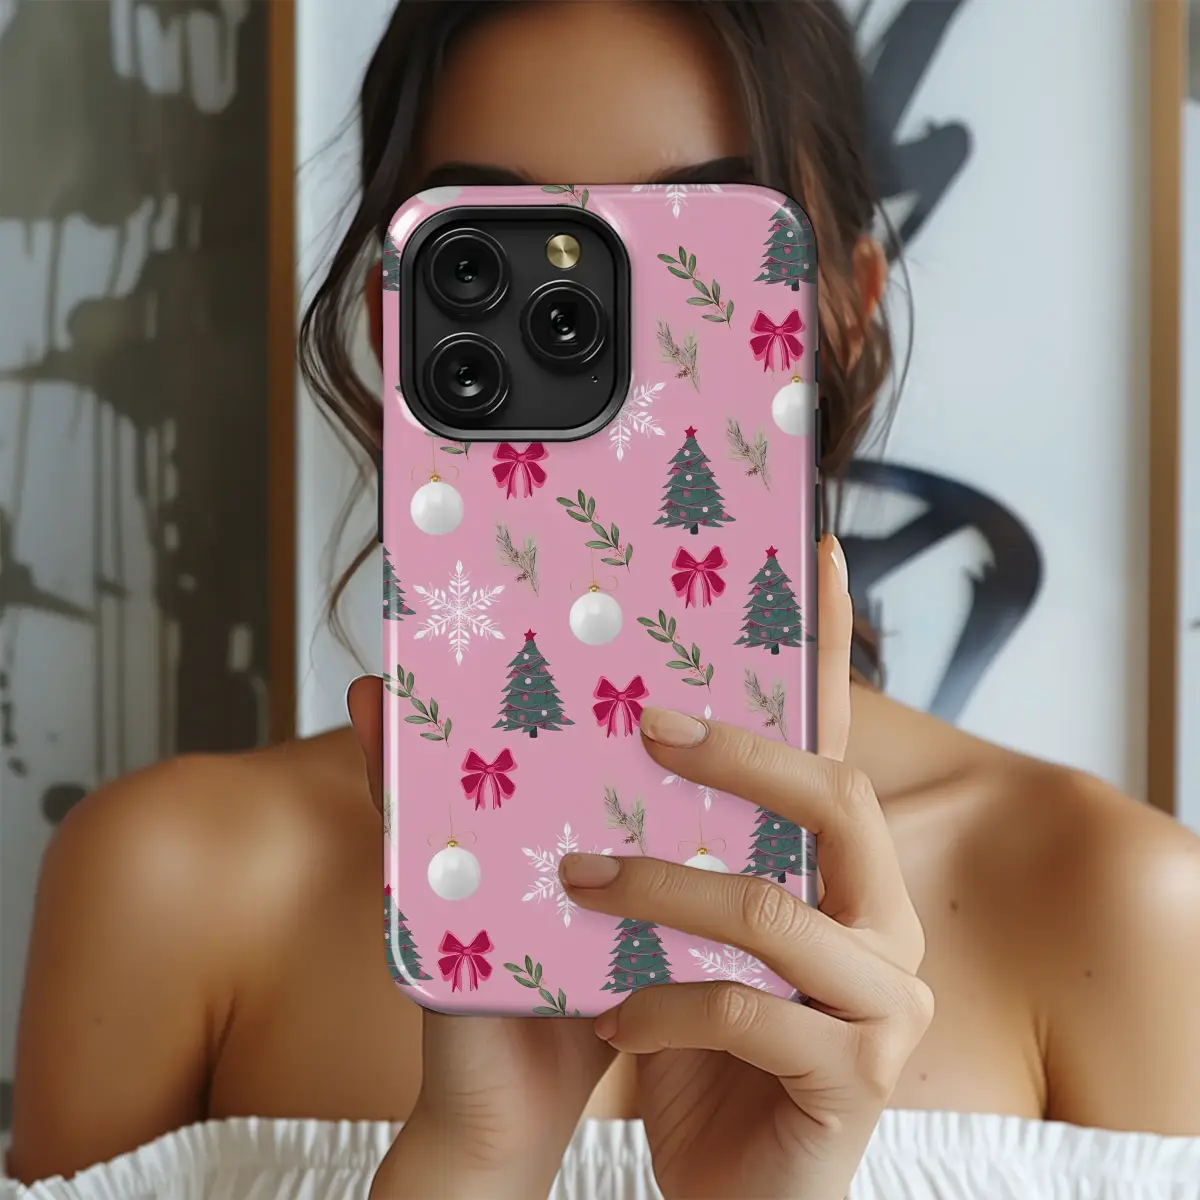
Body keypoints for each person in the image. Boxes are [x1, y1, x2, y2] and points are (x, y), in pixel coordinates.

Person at [7, 2, 1200, 1197]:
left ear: (842, 310)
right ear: (393, 317)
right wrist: (476, 1158)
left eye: (697, 248)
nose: (602, 328)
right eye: (490, 255)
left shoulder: (1116, 907)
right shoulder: (169, 886)